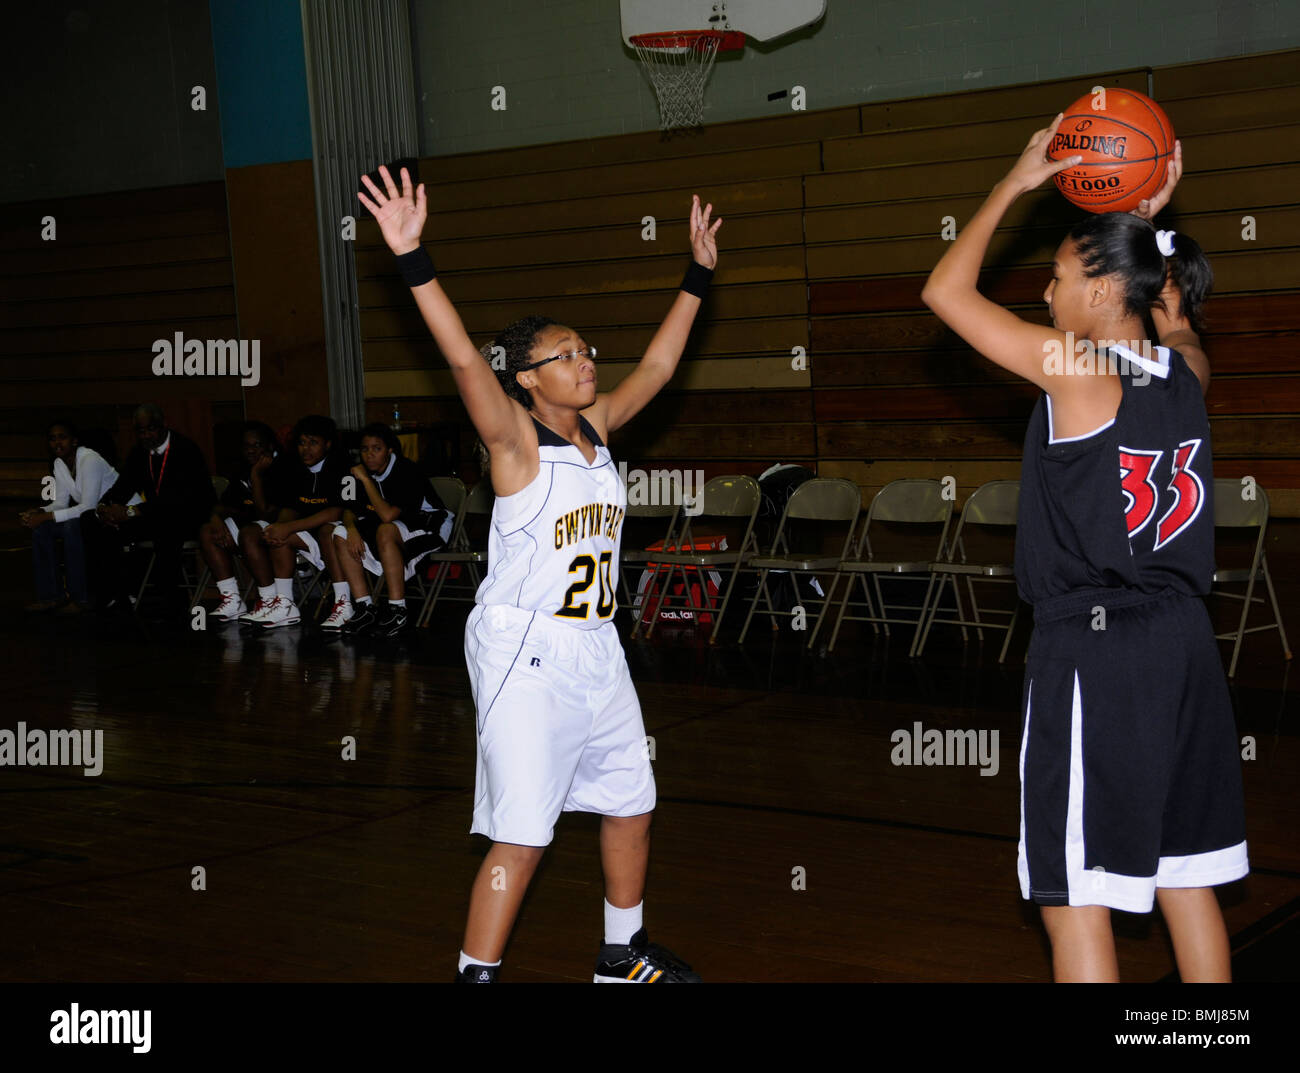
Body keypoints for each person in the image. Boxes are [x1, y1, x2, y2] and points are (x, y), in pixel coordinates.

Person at [358, 163, 721, 982]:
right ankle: (475, 973)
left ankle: (620, 955)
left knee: (632, 801)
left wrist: (697, 274)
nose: (586, 361)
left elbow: (660, 368)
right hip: (525, 650)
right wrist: (412, 258)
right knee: (523, 834)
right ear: (526, 378)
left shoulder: (598, 425)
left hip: (596, 643)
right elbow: (462, 361)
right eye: (566, 354)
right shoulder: (514, 439)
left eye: (587, 349)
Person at [922, 123, 1247, 982]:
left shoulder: (1075, 367)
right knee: (1187, 881)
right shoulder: (1189, 373)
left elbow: (945, 292)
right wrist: (1144, 226)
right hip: (1186, 645)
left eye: (1060, 275)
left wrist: (1016, 182)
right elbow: (1174, 322)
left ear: (1103, 289)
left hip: (1097, 651)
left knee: (1074, 900)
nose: (1046, 290)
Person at [90, 404, 214, 614]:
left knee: (166, 530)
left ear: (164, 424)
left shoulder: (185, 449)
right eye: (141, 431)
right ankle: (116, 594)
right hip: (154, 515)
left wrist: (131, 511)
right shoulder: (139, 452)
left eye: (151, 429)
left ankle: (173, 602)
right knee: (96, 524)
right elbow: (123, 486)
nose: (146, 435)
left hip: (188, 516)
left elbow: (179, 499)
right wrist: (104, 507)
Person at [331, 423, 452, 638]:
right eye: (365, 449)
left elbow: (387, 515)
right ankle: (365, 607)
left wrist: (366, 480)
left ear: (389, 450)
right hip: (390, 526)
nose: (369, 454)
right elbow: (348, 510)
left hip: (427, 525)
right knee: (340, 533)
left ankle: (398, 610)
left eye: (376, 448)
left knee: (386, 530)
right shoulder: (356, 473)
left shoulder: (407, 470)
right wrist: (351, 529)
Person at [239, 415, 347, 630]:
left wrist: (288, 527)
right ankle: (284, 604)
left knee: (322, 531)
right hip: (308, 530)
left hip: (339, 532)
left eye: (313, 443)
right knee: (280, 535)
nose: (306, 449)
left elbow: (336, 512)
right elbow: (290, 507)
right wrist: (279, 527)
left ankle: (344, 604)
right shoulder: (295, 467)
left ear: (328, 444)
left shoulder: (341, 466)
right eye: (302, 443)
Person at [20, 420, 118, 614]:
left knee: (71, 526)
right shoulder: (59, 463)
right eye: (52, 439)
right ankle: (51, 597)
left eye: (62, 437)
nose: (57, 443)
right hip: (93, 517)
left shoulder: (89, 459)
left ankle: (81, 598)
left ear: (74, 441)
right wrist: (39, 512)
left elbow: (88, 507)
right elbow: (61, 503)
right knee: (42, 529)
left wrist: (48, 516)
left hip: (116, 515)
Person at [198, 422, 285, 621]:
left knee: (248, 534)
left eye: (257, 445)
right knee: (207, 531)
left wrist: (256, 476)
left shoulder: (281, 468)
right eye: (246, 446)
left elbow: (263, 512)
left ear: (270, 446)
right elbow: (225, 504)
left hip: (275, 526)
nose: (251, 450)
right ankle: (232, 600)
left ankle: (270, 600)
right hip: (247, 525)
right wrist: (216, 519)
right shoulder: (241, 468)